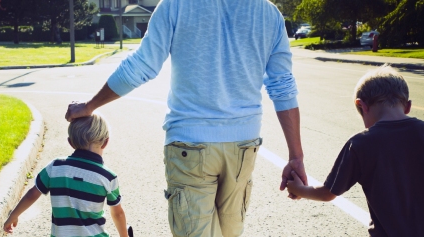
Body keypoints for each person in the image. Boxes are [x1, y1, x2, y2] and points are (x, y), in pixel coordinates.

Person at [65, 0, 306, 236]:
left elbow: (141, 66)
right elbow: (282, 85)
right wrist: (296, 156)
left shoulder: (176, 6)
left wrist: (90, 106)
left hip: (189, 144)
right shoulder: (268, 13)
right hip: (243, 146)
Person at [286, 65, 424, 236]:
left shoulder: (361, 143)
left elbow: (327, 193)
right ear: (408, 106)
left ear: (362, 106)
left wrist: (298, 189)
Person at [3, 114, 129, 237]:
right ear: (106, 142)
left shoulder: (56, 166)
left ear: (70, 142)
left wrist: (14, 215)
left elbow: (32, 194)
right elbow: (118, 214)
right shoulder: (108, 177)